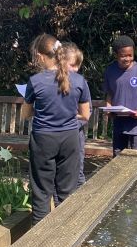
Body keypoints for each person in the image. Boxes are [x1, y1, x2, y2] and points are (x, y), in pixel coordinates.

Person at [23, 34, 91, 225]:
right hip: (70, 140)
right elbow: (85, 115)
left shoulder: (35, 81)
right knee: (66, 192)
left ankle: (39, 237)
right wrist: (66, 114)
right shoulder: (79, 80)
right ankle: (64, 234)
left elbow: (25, 114)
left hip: (43, 140)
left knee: (42, 192)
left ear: (40, 56)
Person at [103, 35, 137, 156]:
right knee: (118, 157)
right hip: (119, 122)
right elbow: (110, 93)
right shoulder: (110, 71)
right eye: (123, 56)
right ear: (116, 54)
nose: (127, 58)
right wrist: (109, 108)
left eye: (130, 55)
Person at [61, 41, 90, 187]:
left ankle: (81, 200)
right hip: (55, 135)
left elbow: (86, 113)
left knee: (77, 172)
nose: (76, 69)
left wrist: (69, 123)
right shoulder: (50, 82)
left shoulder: (80, 83)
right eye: (72, 65)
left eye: (78, 65)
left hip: (74, 134)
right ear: (61, 62)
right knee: (57, 174)